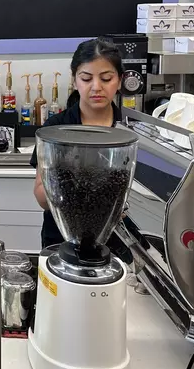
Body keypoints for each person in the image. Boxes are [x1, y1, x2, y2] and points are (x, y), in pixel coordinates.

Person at [31, 37, 124, 250]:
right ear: (74, 80)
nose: (96, 87)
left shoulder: (130, 130)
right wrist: (73, 180)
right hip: (60, 240)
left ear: (119, 80)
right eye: (86, 78)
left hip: (115, 244)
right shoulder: (55, 128)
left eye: (106, 78)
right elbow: (41, 198)